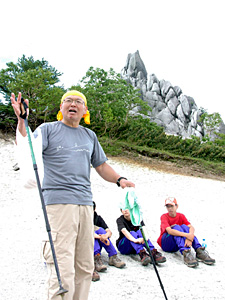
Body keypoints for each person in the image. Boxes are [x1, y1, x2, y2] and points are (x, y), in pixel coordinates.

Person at [11, 90, 135, 300]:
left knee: (85, 267)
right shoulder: (48, 129)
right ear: (61, 108)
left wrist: (120, 180)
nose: (73, 104)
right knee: (62, 267)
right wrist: (22, 120)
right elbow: (27, 148)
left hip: (86, 205)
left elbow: (101, 165)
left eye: (79, 101)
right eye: (68, 100)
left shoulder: (89, 136)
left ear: (85, 110)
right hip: (59, 204)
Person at [157, 197, 215, 268]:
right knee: (176, 227)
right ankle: (186, 252)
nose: (170, 208)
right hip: (166, 244)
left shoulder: (181, 216)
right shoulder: (164, 216)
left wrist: (189, 238)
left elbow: (191, 227)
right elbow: (170, 231)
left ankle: (199, 250)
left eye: (171, 206)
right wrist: (187, 235)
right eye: (168, 206)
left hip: (177, 244)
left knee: (185, 227)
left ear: (176, 206)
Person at [92, 201, 125, 281]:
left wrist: (105, 236)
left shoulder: (97, 218)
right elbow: (85, 233)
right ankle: (96, 258)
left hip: (97, 242)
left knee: (101, 230)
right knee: (94, 232)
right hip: (87, 245)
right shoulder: (81, 219)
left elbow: (109, 232)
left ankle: (113, 256)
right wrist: (100, 237)